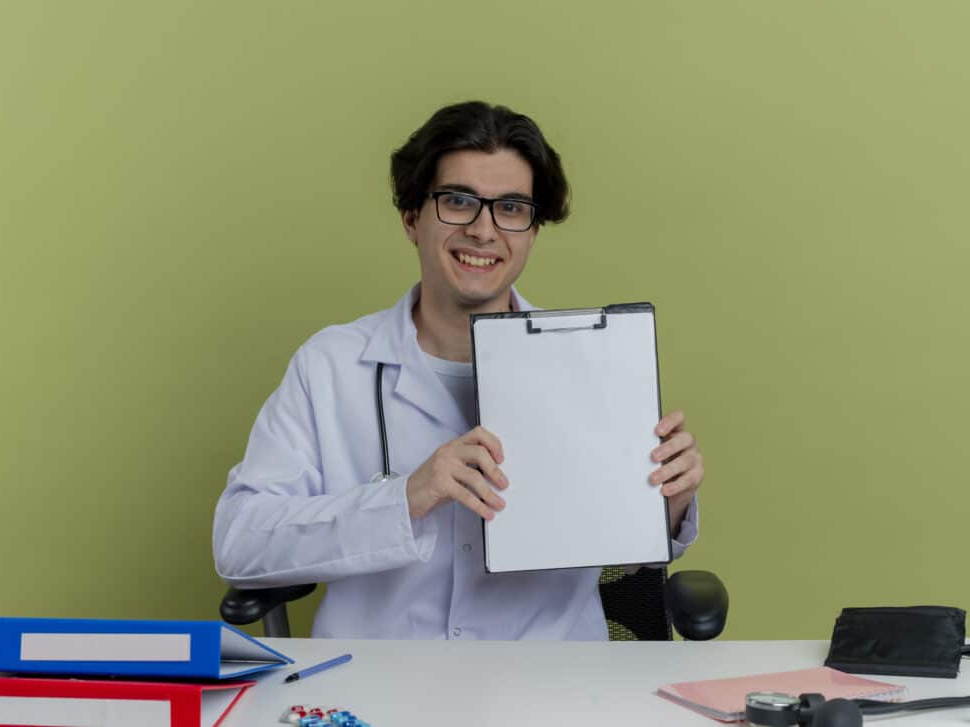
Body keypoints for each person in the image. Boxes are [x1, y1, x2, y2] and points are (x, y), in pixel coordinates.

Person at [212, 101, 705, 640]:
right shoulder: (330, 366)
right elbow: (239, 544)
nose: (483, 230)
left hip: (551, 675)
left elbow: (631, 554)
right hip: (377, 679)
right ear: (411, 218)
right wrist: (405, 498)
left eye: (511, 208)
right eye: (458, 201)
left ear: (532, 231)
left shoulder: (594, 360)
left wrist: (666, 504)